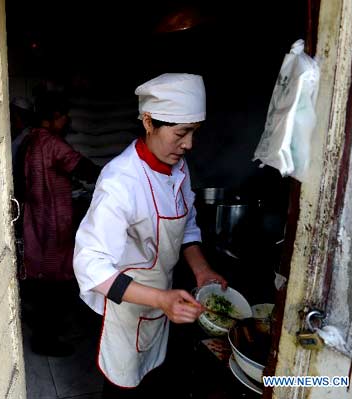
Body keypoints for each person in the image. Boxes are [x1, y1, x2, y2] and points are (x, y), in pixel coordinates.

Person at [73, 73, 227, 397]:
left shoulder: (178, 169)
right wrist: (159, 299)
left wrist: (201, 270)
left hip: (164, 300)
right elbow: (89, 264)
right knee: (124, 388)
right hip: (127, 306)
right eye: (181, 133)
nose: (189, 144)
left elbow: (187, 224)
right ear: (148, 121)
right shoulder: (120, 181)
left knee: (155, 381)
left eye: (194, 133)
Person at [17, 92, 100, 357]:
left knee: (43, 281)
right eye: (64, 116)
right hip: (54, 224)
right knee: (55, 285)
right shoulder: (52, 143)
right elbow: (83, 167)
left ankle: (47, 329)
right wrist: (114, 176)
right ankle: (45, 341)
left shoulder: (30, 139)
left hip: (36, 221)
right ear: (53, 117)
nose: (67, 121)